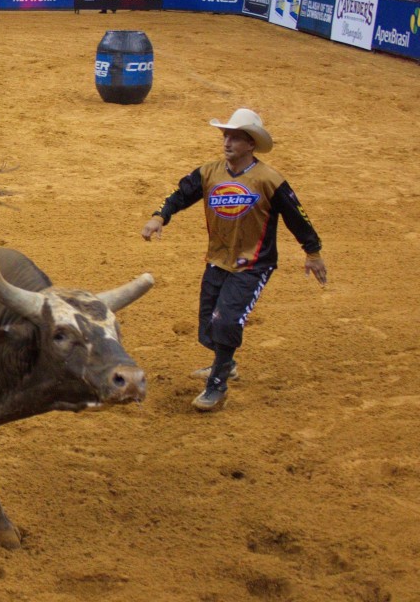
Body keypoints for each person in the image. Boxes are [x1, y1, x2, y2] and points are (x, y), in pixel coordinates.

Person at [140, 109, 327, 413]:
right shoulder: (209, 173)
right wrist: (159, 216)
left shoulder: (269, 180)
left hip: (254, 264)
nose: (227, 141)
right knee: (207, 329)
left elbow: (297, 216)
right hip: (217, 260)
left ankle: (217, 385)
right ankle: (226, 363)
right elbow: (179, 195)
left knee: (226, 321)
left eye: (235, 137)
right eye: (226, 135)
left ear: (251, 144)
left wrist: (313, 251)